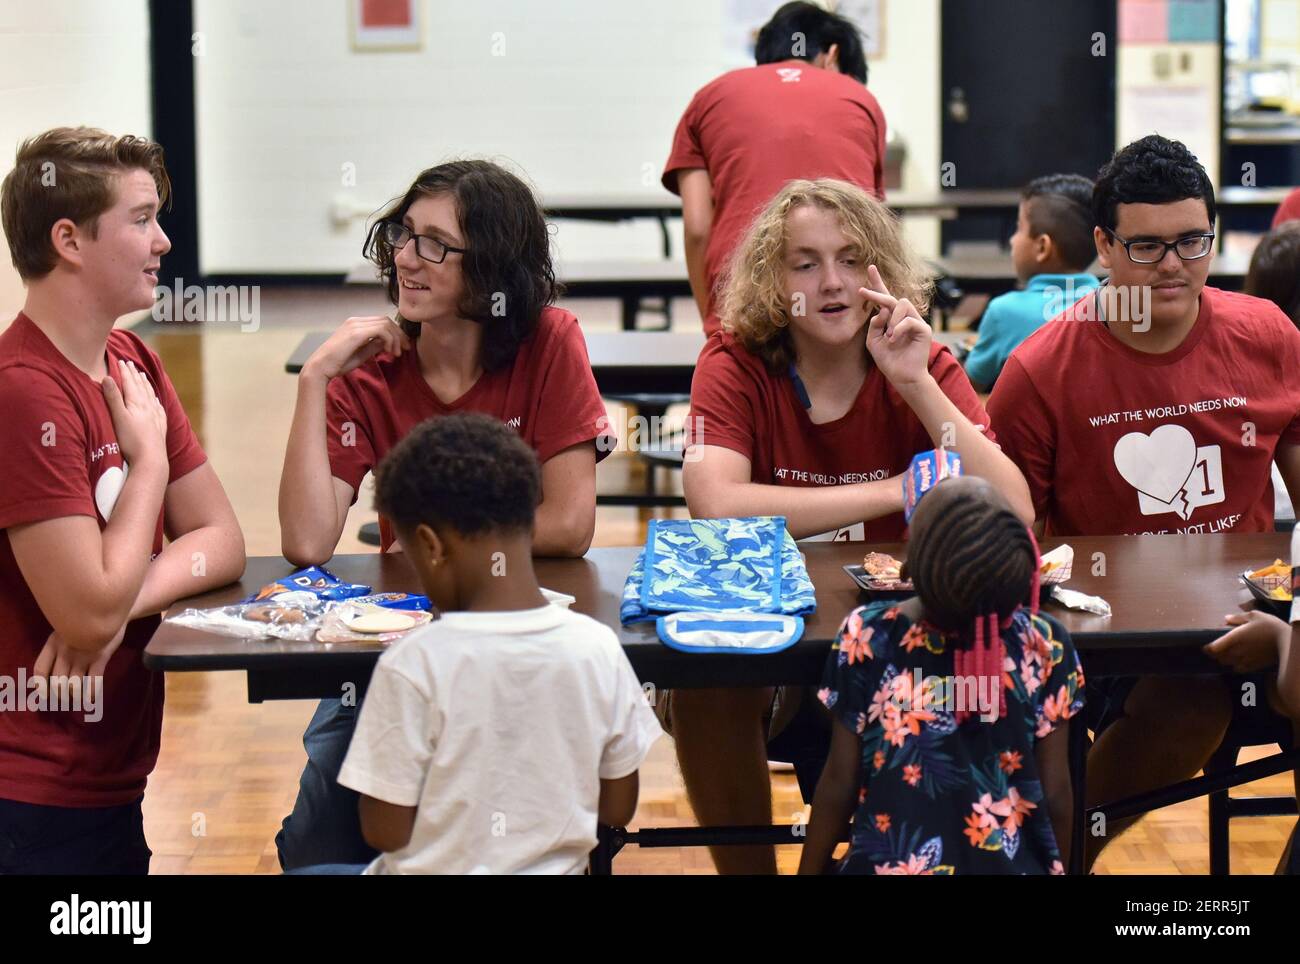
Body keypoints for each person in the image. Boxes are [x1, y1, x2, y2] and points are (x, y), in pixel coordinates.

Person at [669, 177, 1032, 874]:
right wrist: (896, 489)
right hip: (774, 638)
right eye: (804, 262)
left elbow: (1014, 509)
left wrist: (916, 383)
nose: (831, 282)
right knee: (703, 686)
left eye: (850, 257)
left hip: (904, 641)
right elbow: (715, 503)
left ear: (883, 270)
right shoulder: (735, 358)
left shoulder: (920, 355)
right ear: (773, 280)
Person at [275, 159, 614, 869]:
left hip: (516, 645)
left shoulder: (549, 341)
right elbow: (308, 540)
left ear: (491, 269)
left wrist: (436, 552)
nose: (406, 256)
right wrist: (315, 380)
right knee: (314, 845)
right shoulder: (368, 370)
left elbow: (571, 523)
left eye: (434, 244)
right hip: (400, 650)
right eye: (404, 235)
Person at [987, 134, 1300, 872]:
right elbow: (1006, 539)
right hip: (1109, 636)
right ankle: (1061, 857)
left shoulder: (1268, 335)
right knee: (1189, 704)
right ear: (1102, 245)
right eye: (1147, 246)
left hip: (1255, 608)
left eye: (1193, 242)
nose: (1172, 266)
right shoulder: (1042, 369)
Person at [0, 127, 246, 873]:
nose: (164, 241)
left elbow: (222, 536)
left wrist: (120, 605)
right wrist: (145, 468)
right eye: (142, 219)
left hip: (112, 771)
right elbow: (84, 612)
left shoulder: (129, 361)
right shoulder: (21, 390)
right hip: (32, 788)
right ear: (69, 240)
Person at [292, 414, 661, 874]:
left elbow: (384, 829)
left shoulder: (413, 663)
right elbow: (617, 808)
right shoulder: (598, 648)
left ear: (429, 546)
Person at [799, 476, 1082, 874]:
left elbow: (838, 785)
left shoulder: (868, 635)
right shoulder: (1044, 644)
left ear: (912, 563)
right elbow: (1056, 795)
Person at [663, 1, 886, 333]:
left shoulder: (708, 98)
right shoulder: (861, 100)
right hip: (839, 303)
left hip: (742, 296)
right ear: (833, 56)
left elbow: (697, 228)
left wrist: (713, 319)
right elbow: (877, 227)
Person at [963, 174, 1100, 392]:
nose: (1012, 240)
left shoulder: (1004, 312)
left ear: (1042, 247)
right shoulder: (1113, 306)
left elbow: (972, 383)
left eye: (1019, 228)